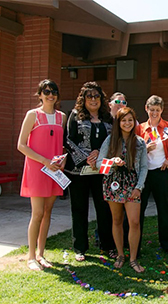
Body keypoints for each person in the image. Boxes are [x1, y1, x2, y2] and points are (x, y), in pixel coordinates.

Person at [18, 79, 67, 270]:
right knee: (37, 213)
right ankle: (31, 257)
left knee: (48, 212)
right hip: (38, 169)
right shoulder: (33, 115)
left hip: (54, 171)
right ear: (40, 95)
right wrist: (44, 161)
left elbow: (61, 144)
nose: (50, 95)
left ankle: (41, 254)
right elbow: (21, 145)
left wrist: (61, 160)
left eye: (54, 91)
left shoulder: (62, 117)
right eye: (46, 91)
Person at [65, 81, 115, 262]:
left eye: (97, 96)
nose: (93, 99)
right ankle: (80, 248)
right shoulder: (75, 116)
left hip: (102, 171)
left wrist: (99, 155)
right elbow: (69, 141)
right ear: (83, 99)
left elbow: (114, 142)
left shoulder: (108, 118)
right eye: (89, 96)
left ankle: (107, 245)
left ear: (102, 99)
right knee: (79, 208)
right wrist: (87, 157)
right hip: (79, 171)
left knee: (104, 209)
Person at [97, 107, 148, 273]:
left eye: (130, 120)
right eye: (123, 120)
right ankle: (120, 254)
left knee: (134, 221)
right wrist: (112, 161)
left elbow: (144, 168)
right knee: (117, 220)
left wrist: (139, 187)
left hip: (132, 185)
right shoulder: (110, 140)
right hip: (114, 184)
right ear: (118, 123)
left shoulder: (140, 142)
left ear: (134, 122)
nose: (127, 123)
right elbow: (99, 165)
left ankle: (133, 258)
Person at [136, 95, 168, 253]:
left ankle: (166, 244)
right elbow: (132, 149)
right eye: (151, 110)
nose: (154, 113)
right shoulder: (139, 129)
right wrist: (145, 148)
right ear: (146, 109)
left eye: (157, 110)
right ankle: (134, 244)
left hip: (162, 173)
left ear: (162, 110)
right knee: (139, 209)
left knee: (164, 210)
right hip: (143, 175)